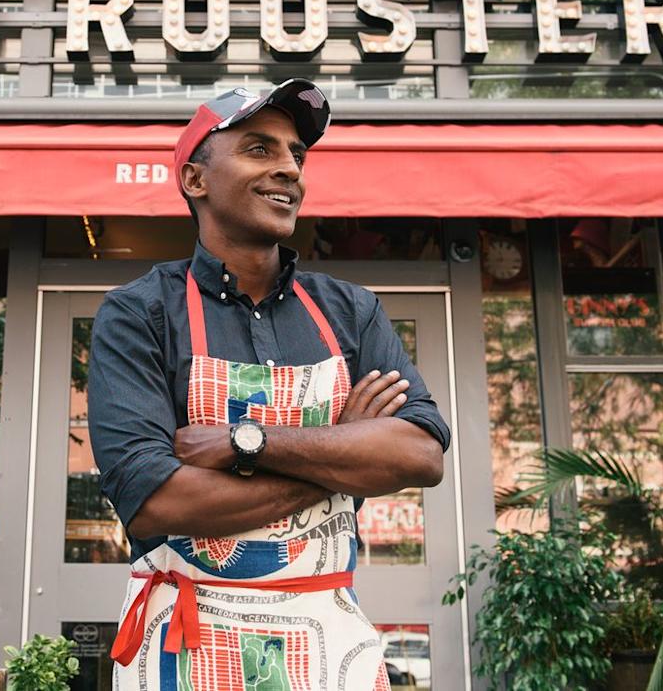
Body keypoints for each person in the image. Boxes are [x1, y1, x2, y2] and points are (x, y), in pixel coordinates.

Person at [88, 79, 451, 690]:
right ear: (196, 180)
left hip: (328, 644)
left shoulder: (350, 312)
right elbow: (157, 502)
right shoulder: (140, 314)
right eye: (259, 149)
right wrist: (342, 456)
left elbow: (419, 454)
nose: (289, 169)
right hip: (187, 645)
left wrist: (245, 442)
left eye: (297, 155)